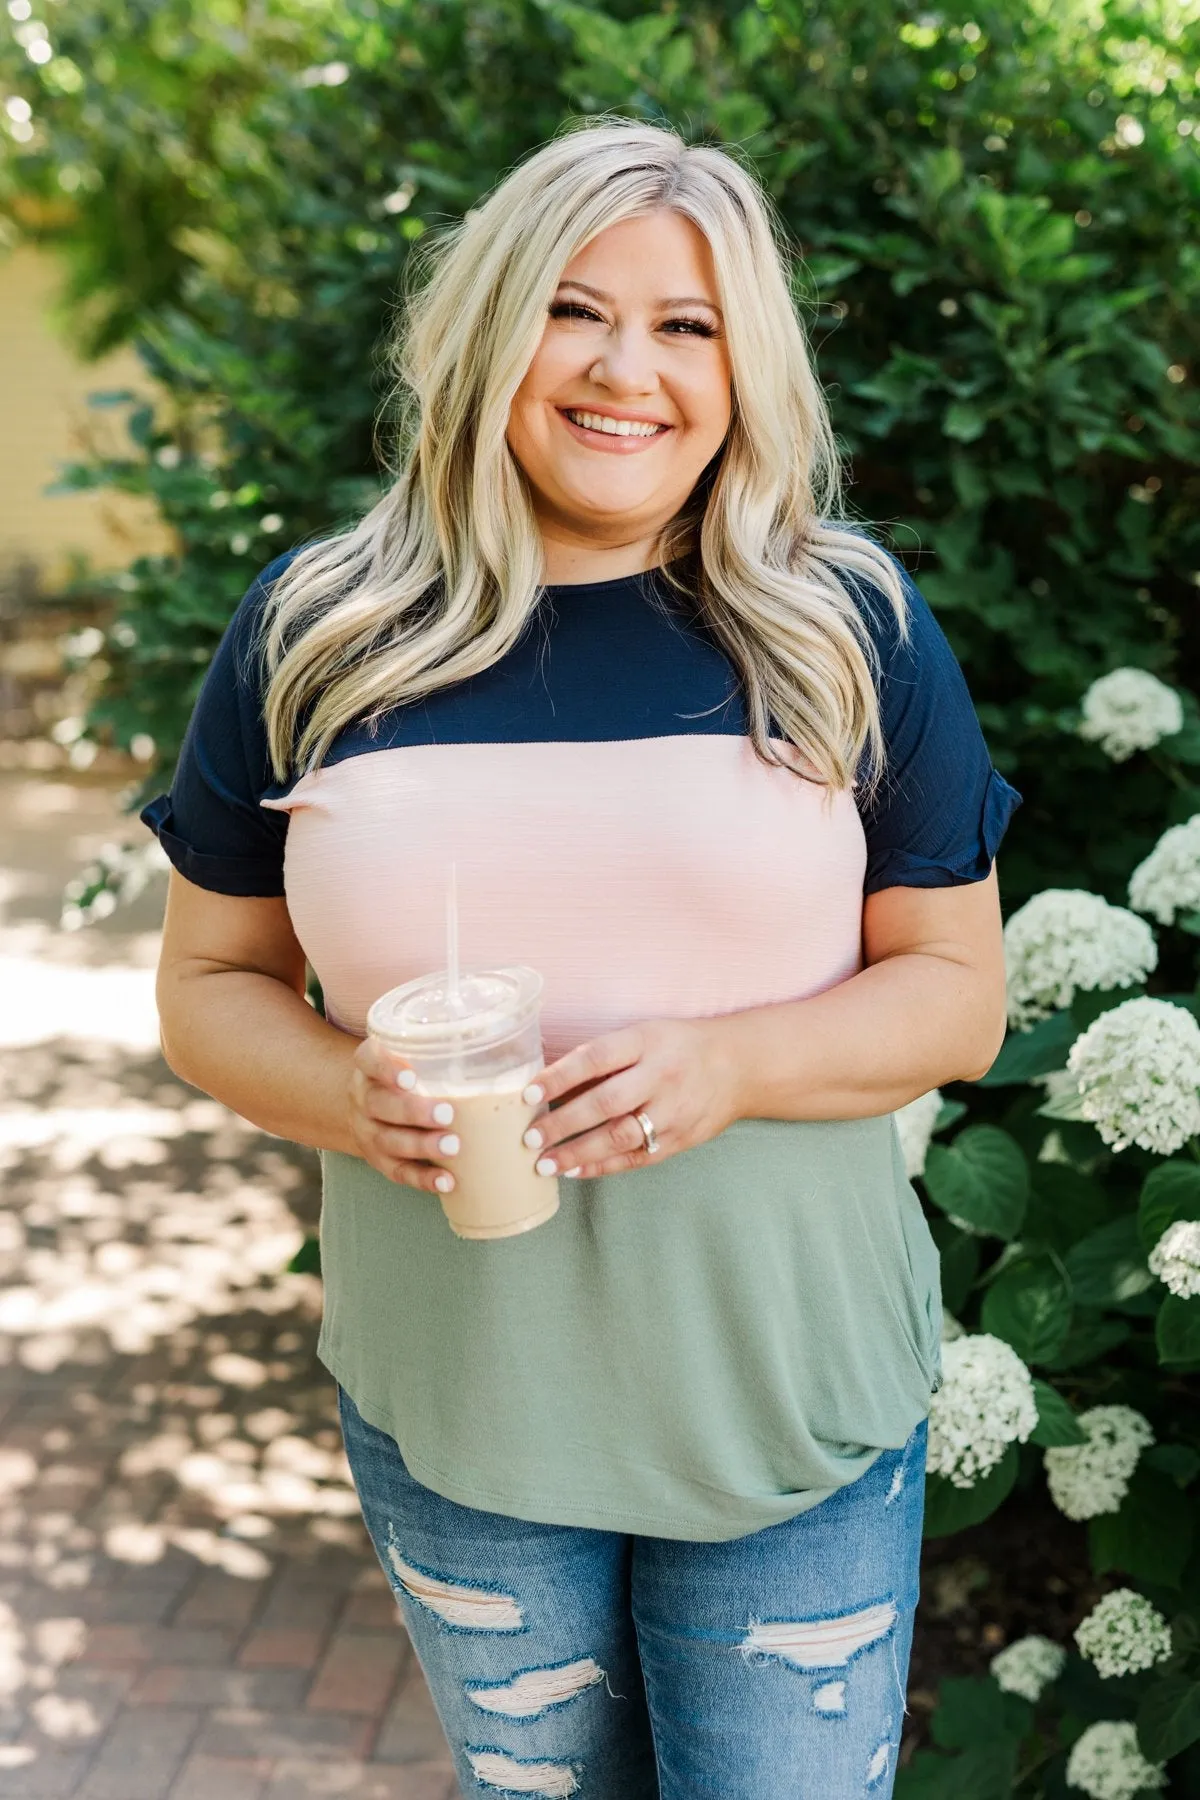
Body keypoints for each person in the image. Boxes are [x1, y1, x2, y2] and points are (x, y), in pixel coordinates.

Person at [143, 119, 1020, 1799]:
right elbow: (204, 991)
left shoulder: (850, 627)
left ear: (743, 365)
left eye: (687, 325)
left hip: (791, 1407)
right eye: (573, 308)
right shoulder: (321, 631)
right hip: (467, 1412)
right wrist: (339, 1089)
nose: (630, 370)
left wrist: (736, 1063)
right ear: (488, 333)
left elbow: (958, 997)